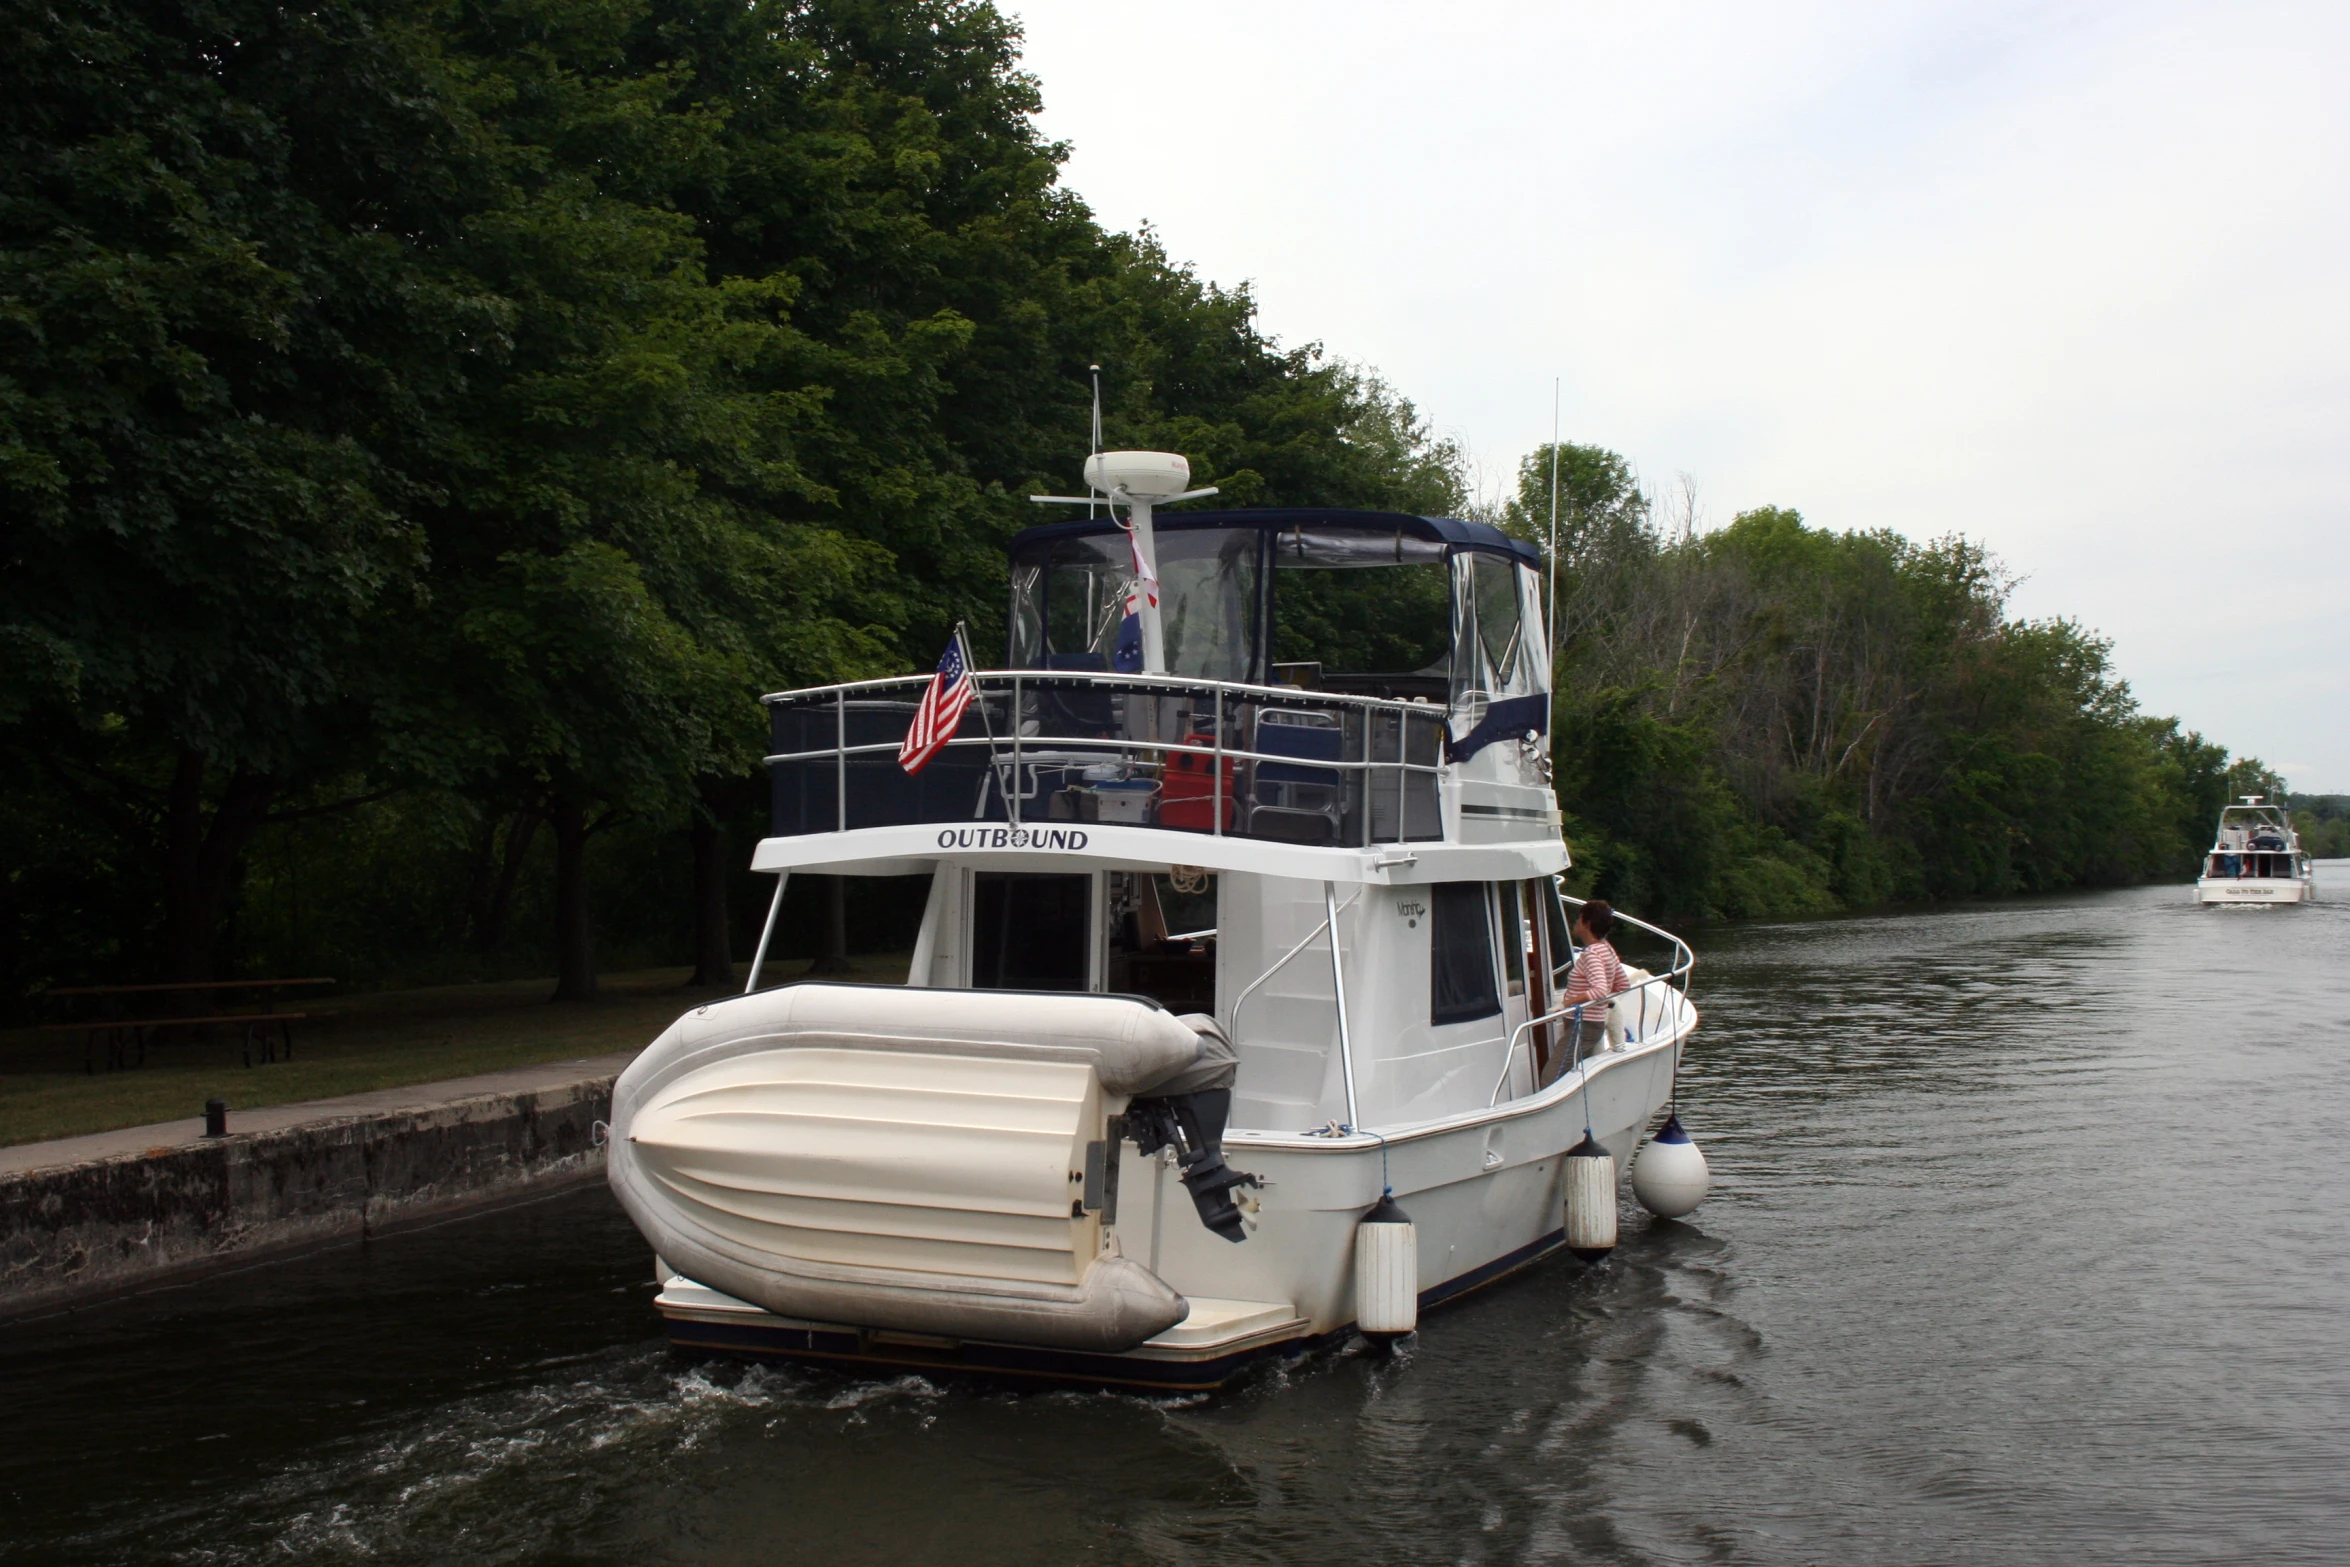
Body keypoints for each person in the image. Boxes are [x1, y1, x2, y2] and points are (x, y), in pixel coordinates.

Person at [1553, 898, 1626, 1077]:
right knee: (1579, 1075)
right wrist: (1600, 1004)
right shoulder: (1607, 949)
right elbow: (1622, 984)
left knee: (1551, 1076)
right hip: (1594, 1023)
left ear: (1587, 924)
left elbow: (1600, 989)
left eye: (1579, 919)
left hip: (1583, 1025)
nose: (1576, 922)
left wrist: (1566, 1003)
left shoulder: (1591, 954)